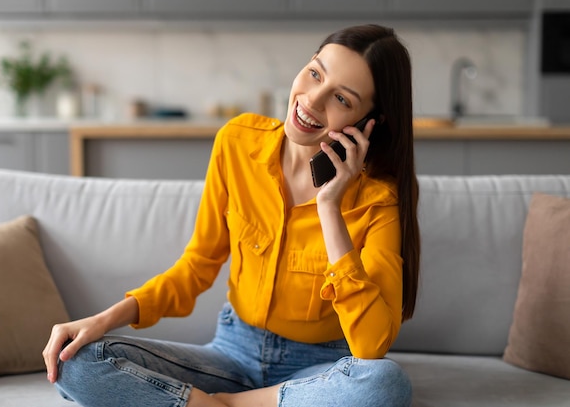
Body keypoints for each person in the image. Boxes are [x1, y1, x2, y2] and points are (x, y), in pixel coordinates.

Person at [43, 23, 420, 407]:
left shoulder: (377, 200)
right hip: (231, 355)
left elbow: (371, 346)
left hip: (319, 369)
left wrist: (329, 206)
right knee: (75, 362)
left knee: (384, 386)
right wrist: (102, 321)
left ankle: (231, 404)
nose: (311, 100)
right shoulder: (237, 142)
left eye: (341, 99)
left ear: (369, 123)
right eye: (314, 73)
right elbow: (196, 266)